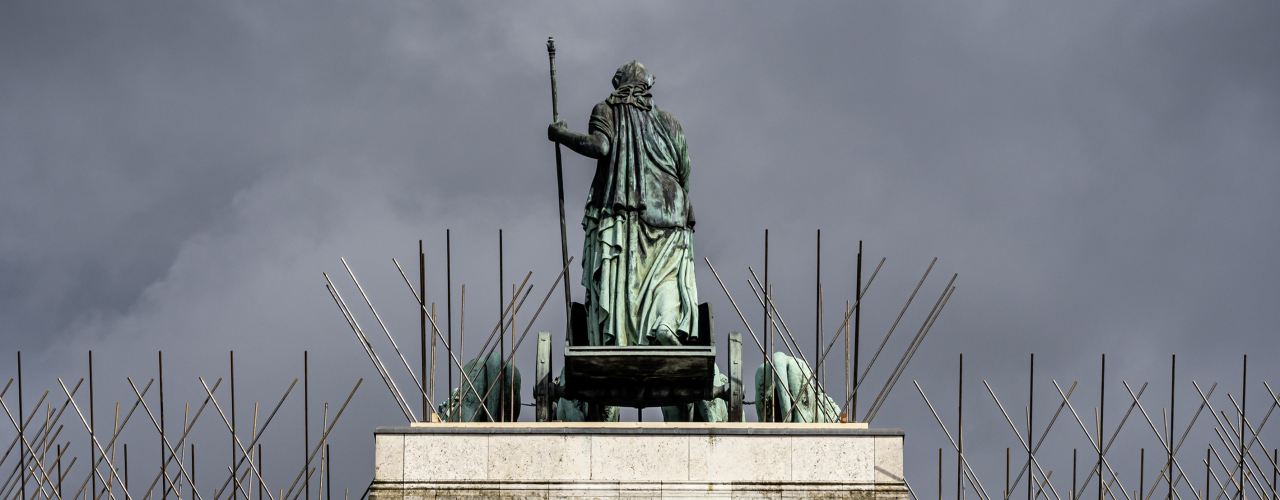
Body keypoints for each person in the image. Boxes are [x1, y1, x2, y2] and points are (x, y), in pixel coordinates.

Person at [547, 61, 698, 347]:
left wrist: (560, 135)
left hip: (627, 207)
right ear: (648, 84)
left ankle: (622, 337)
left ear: (618, 82)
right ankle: (665, 322)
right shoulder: (670, 121)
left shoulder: (606, 109)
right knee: (666, 276)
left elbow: (600, 146)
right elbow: (684, 171)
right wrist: (681, 207)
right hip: (672, 206)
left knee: (629, 274)